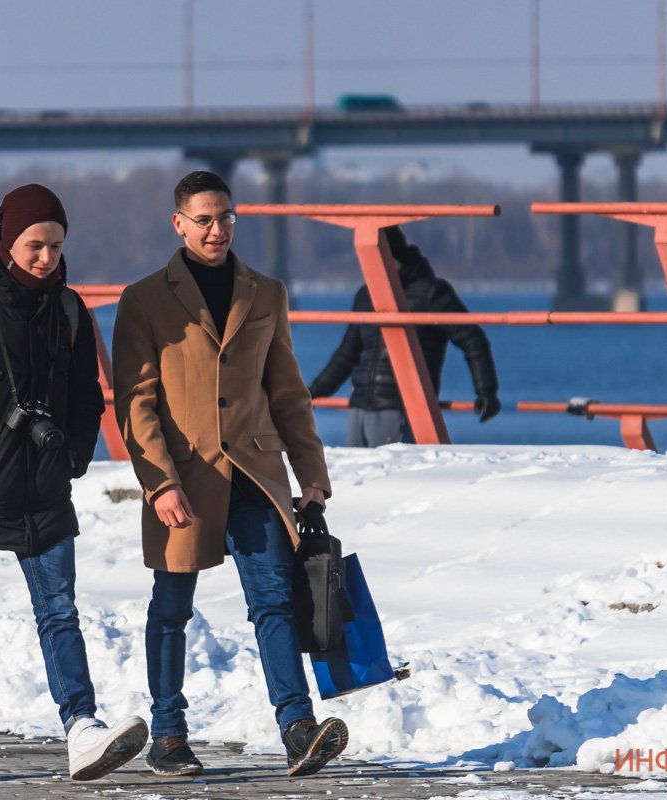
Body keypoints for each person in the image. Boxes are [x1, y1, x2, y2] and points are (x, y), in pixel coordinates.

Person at [0, 184, 147, 784]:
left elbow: (88, 398)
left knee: (60, 612)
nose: (46, 258)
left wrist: (74, 457)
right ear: (8, 240)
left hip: (43, 491)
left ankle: (82, 729)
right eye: (35, 245)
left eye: (56, 246)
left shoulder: (68, 311)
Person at [112, 171, 347, 779]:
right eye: (205, 219)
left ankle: (297, 729)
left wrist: (311, 474)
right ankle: (168, 734)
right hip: (184, 479)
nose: (218, 229)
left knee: (274, 601)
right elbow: (135, 401)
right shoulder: (144, 299)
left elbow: (288, 392)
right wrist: (159, 481)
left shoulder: (265, 291)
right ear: (179, 223)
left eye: (226, 217)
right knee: (171, 607)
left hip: (256, 471)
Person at [307, 225, 501, 446]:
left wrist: (486, 391)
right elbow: (346, 355)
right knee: (357, 477)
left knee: (390, 476)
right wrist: (313, 392)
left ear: (392, 255)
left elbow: (472, 338)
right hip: (360, 405)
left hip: (400, 408)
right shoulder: (366, 296)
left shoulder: (431, 292)